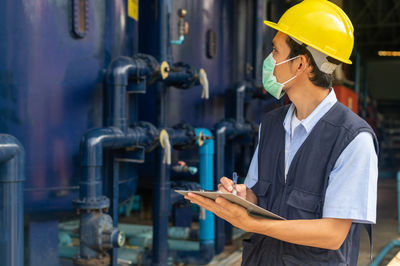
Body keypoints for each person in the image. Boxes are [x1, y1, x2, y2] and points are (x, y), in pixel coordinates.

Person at [184, 0, 378, 265]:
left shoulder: (353, 139)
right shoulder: (272, 124)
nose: (269, 60)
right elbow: (259, 195)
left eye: (275, 51)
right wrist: (241, 196)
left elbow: (332, 234)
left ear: (301, 64)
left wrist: (251, 224)